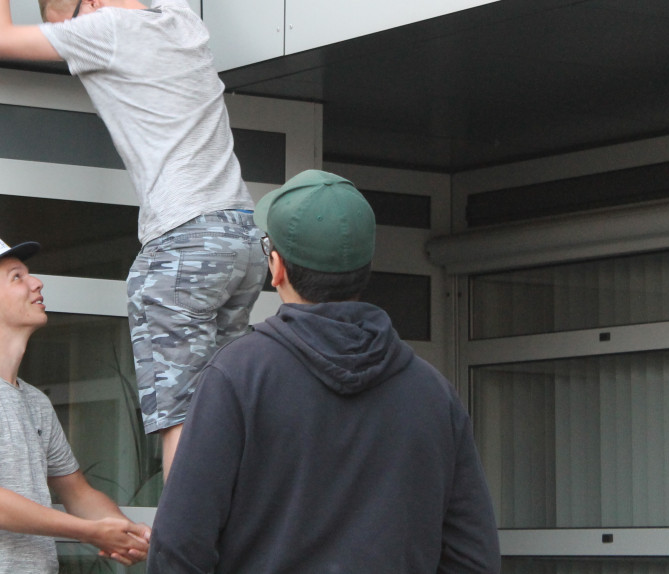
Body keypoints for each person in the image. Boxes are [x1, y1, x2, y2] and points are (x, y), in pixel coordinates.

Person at [0, 0, 265, 476]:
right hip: (241, 240)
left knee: (177, 406)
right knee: (222, 396)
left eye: (62, 32)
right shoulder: (180, 23)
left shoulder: (101, 30)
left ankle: (188, 540)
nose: (65, 49)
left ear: (87, 4)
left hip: (185, 241)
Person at [148, 169, 501, 574]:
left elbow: (179, 545)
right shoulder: (434, 393)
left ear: (276, 267)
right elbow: (474, 559)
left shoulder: (238, 376)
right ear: (365, 268)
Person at [0, 229, 150, 573]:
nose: (37, 283)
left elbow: (77, 492)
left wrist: (131, 535)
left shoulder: (34, 401)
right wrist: (93, 532)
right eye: (17, 277)